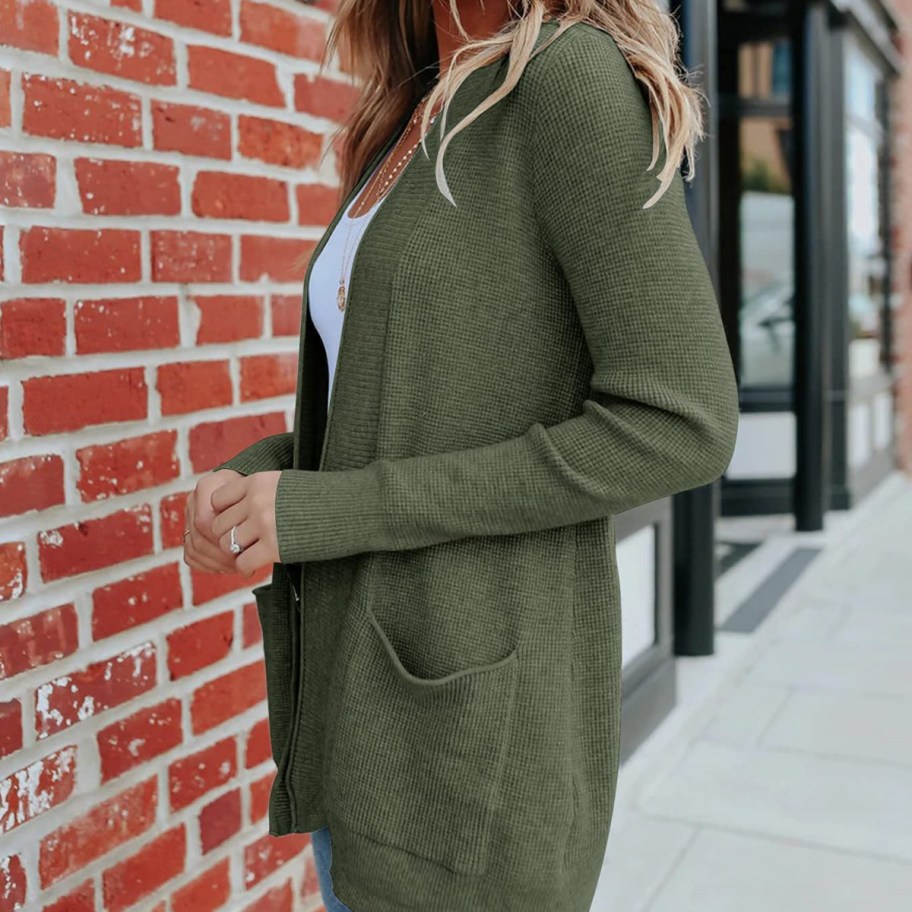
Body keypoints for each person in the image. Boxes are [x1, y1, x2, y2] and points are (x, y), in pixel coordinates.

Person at [182, 2, 740, 910]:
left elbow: (683, 420)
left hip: (471, 764)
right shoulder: (412, 111)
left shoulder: (566, 81)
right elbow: (409, 407)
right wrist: (261, 477)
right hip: (360, 720)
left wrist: (336, 511)